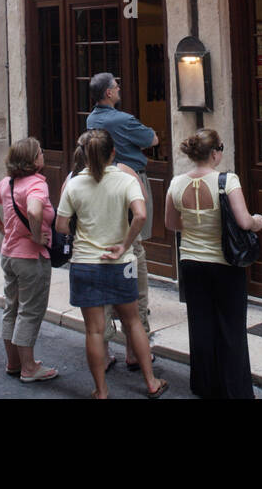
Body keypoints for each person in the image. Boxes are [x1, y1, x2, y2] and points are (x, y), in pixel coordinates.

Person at [57, 129, 167, 400]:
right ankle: (151, 382)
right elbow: (141, 215)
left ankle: (101, 391)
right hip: (121, 263)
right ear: (113, 153)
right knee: (133, 323)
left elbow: (61, 226)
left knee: (94, 330)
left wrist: (82, 232)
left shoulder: (73, 183)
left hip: (85, 263)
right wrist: (124, 244)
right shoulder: (126, 179)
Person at [165, 128, 262, 400]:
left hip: (190, 261)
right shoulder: (227, 180)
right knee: (231, 327)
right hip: (224, 263)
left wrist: (192, 227)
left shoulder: (176, 183)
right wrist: (257, 221)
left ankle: (205, 385)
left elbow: (171, 223)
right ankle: (235, 389)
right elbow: (244, 222)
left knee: (200, 325)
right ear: (214, 153)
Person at [86, 71, 156, 363]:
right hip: (131, 182)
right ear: (108, 94)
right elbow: (151, 139)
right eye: (116, 85)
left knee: (117, 254)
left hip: (107, 190)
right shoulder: (121, 120)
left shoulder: (92, 120)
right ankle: (135, 349)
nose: (119, 87)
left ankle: (118, 341)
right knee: (134, 252)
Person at [0, 137, 59, 383]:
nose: (43, 154)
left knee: (11, 308)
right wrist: (37, 237)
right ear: (33, 160)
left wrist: (3, 229)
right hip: (30, 258)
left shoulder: (7, 183)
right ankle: (28, 368)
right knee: (30, 311)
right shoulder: (37, 184)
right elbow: (35, 211)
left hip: (9, 255)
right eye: (40, 152)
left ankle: (13, 362)